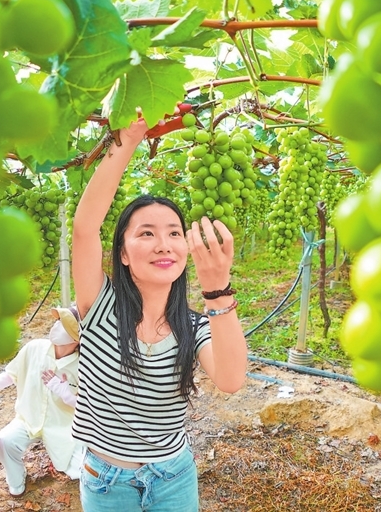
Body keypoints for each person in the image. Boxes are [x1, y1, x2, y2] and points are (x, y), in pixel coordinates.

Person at [70, 114, 248, 511]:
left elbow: (232, 379)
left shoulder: (195, 326)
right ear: (123, 254)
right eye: (146, 233)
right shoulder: (100, 309)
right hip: (107, 480)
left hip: (174, 476)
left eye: (172, 233)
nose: (163, 244)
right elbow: (85, 228)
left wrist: (218, 289)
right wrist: (128, 140)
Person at [0, 306, 82, 497]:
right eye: (57, 321)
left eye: (62, 324)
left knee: (82, 471)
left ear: (76, 338)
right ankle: (16, 478)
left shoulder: (83, 365)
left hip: (64, 428)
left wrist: (66, 394)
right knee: (2, 441)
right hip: (28, 419)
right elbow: (10, 376)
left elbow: (90, 407)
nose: (55, 326)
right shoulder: (35, 348)